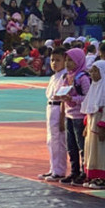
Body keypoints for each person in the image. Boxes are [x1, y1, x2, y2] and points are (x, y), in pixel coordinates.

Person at [80, 60, 105, 189]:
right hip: (93, 124)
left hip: (101, 126)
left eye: (95, 71)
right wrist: (87, 125)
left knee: (103, 152)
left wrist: (103, 127)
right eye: (92, 71)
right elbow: (90, 108)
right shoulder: (94, 87)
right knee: (93, 151)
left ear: (103, 72)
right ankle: (96, 176)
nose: (92, 74)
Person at [58, 48, 91, 186]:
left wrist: (73, 98)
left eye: (71, 60)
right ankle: (74, 171)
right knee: (71, 146)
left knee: (81, 145)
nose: (67, 63)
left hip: (79, 115)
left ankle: (84, 172)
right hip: (69, 115)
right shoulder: (67, 77)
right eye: (66, 60)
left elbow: (88, 97)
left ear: (78, 60)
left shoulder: (82, 78)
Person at [39, 47, 68, 182]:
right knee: (51, 140)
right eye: (52, 60)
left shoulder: (65, 76)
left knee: (59, 141)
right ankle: (53, 168)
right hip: (50, 108)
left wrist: (62, 118)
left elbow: (63, 98)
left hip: (59, 108)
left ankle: (59, 170)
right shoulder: (53, 76)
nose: (54, 63)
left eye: (58, 60)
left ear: (65, 61)